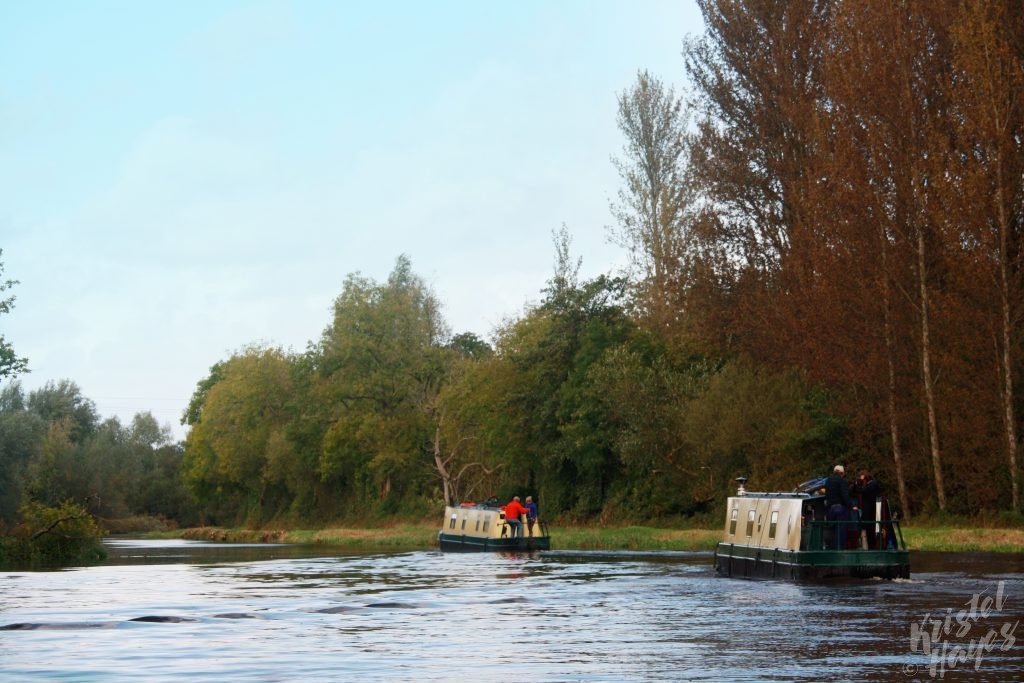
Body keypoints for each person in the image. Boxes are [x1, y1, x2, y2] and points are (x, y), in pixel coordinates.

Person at [824, 465, 855, 550]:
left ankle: (831, 549)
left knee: (832, 531)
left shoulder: (828, 480)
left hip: (830, 510)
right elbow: (845, 496)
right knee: (841, 532)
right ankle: (838, 550)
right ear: (842, 473)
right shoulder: (842, 481)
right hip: (840, 510)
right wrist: (851, 505)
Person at [853, 470, 883, 549]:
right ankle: (870, 547)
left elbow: (862, 491)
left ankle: (872, 547)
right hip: (870, 511)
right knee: (868, 530)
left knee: (870, 530)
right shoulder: (871, 485)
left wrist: (856, 484)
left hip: (871, 512)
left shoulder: (872, 484)